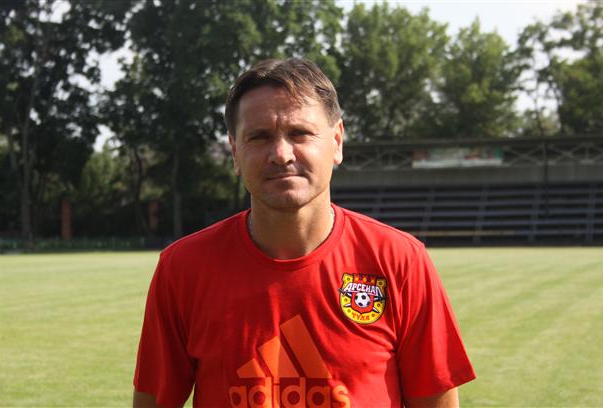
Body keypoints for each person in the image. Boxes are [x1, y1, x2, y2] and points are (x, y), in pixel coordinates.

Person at [133, 58, 475, 408]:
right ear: (235, 152)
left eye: (300, 133)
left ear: (337, 141)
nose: (281, 155)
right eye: (259, 136)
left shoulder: (400, 260)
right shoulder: (183, 268)